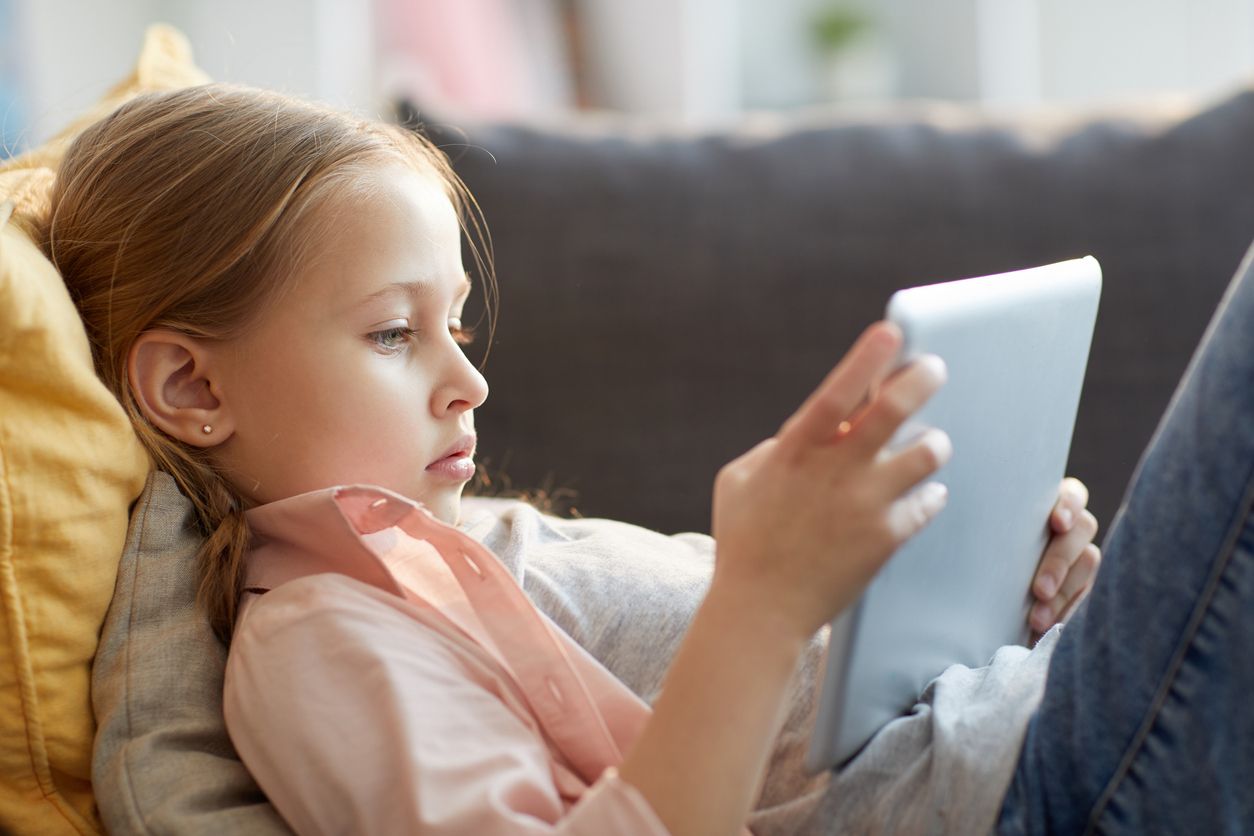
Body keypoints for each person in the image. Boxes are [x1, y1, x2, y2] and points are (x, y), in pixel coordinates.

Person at [46, 82, 1234, 836]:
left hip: (1022, 706)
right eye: (392, 332)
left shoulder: (455, 548)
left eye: (456, 323)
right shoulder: (328, 631)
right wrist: (761, 602)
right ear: (193, 387)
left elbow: (810, 726)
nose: (468, 379)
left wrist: (992, 597)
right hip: (1037, 781)